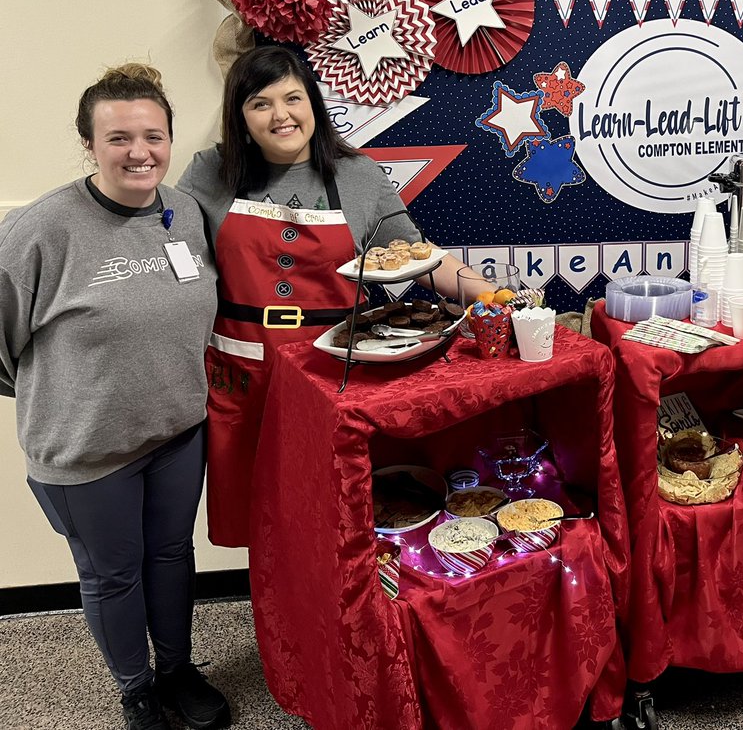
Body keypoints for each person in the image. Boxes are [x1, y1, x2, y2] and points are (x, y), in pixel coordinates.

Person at [0, 65, 229, 730]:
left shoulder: (183, 211)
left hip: (178, 430)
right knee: (113, 576)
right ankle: (136, 690)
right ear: (89, 145)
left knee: (170, 554)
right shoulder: (41, 230)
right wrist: (67, 395)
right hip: (87, 448)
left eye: (153, 136)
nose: (139, 152)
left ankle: (178, 670)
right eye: (119, 137)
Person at [178, 45, 479, 548]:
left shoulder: (356, 175)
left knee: (339, 515)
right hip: (244, 376)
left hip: (334, 371)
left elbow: (418, 256)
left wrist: (486, 290)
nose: (281, 115)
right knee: (264, 525)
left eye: (293, 98)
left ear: (314, 104)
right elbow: (173, 254)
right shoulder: (211, 171)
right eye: (260, 103)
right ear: (240, 115)